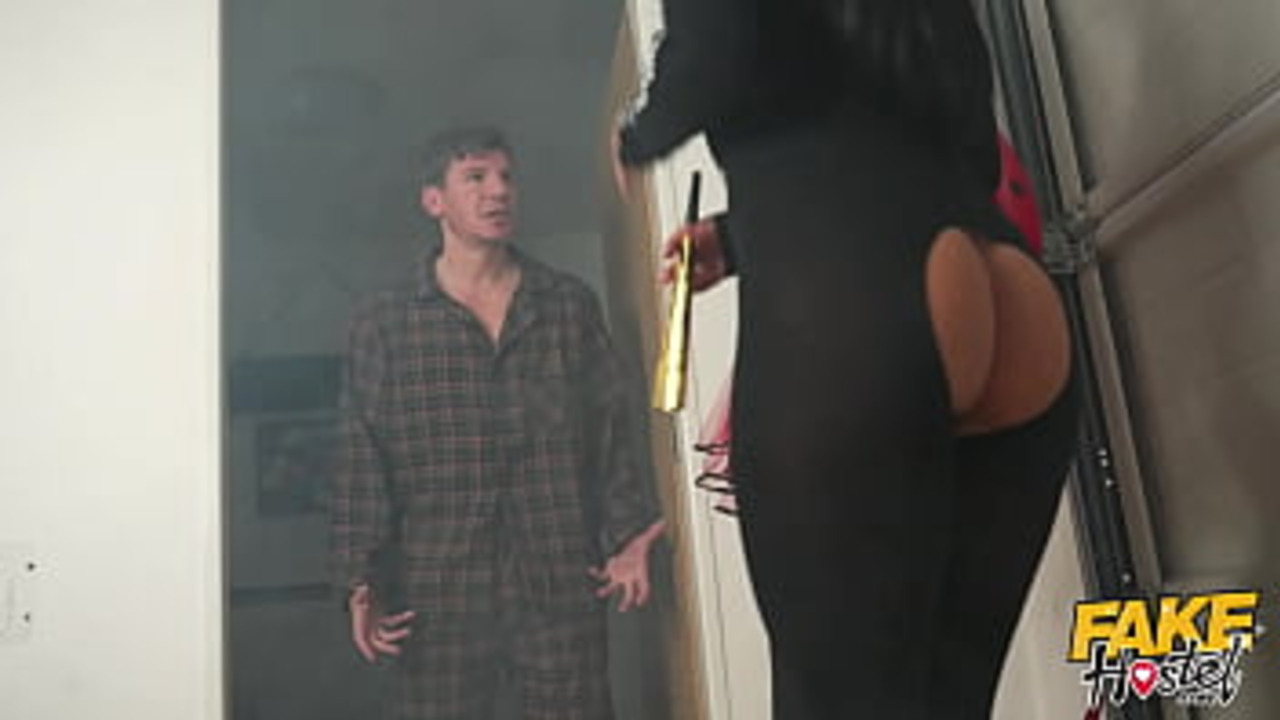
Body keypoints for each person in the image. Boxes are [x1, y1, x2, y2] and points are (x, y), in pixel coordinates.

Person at [613, 1, 1079, 718]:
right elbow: (970, 151)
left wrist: (635, 133)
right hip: (1008, 289)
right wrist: (738, 238)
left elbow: (716, 53)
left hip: (862, 302)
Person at [331, 126, 665, 720]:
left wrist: (629, 537)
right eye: (476, 177)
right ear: (433, 200)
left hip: (559, 580)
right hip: (436, 596)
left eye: (507, 177)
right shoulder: (383, 323)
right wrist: (360, 580)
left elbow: (611, 432)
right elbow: (361, 458)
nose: (498, 191)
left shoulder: (566, 305)